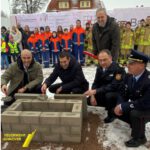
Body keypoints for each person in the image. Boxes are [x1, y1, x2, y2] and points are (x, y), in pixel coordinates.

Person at [114, 50, 150, 147]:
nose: (127, 65)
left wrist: (124, 106)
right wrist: (119, 105)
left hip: (147, 107)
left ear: (142, 65)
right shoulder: (129, 76)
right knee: (118, 109)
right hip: (139, 103)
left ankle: (140, 138)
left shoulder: (148, 80)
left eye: (132, 63)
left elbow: (144, 103)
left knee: (135, 113)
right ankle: (136, 125)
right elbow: (122, 92)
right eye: (128, 62)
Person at [84, 49, 125, 123]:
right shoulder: (99, 68)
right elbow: (96, 82)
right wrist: (93, 95)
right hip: (103, 91)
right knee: (89, 101)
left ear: (110, 58)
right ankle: (106, 104)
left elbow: (113, 86)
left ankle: (112, 114)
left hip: (115, 94)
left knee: (109, 96)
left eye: (104, 60)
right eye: (100, 60)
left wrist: (96, 91)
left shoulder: (118, 69)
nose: (102, 62)